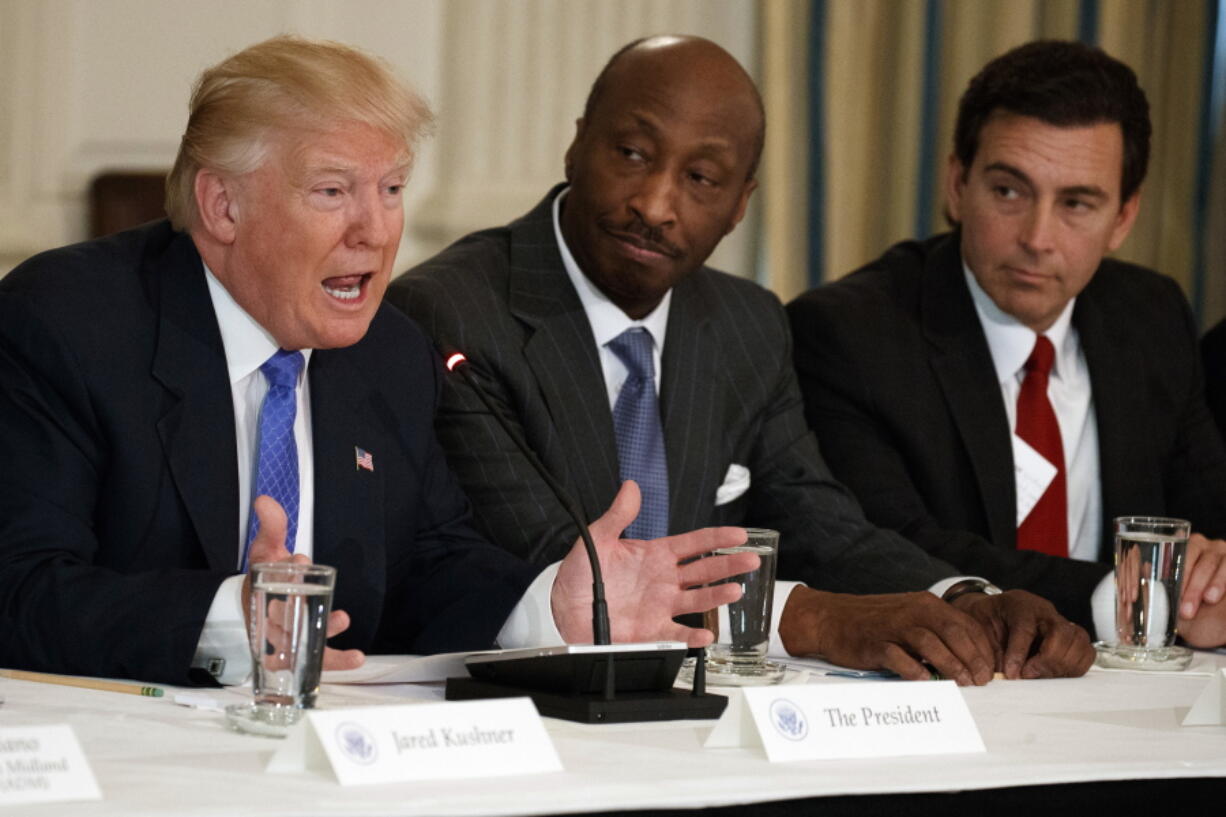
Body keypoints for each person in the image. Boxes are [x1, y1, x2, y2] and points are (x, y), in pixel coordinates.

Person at [0, 36, 761, 687]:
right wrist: (225, 619)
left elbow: (430, 564)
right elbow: (21, 591)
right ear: (222, 206)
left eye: (392, 189)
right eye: (333, 191)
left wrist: (549, 604)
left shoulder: (390, 352)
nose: (374, 230)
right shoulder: (70, 323)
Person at [387, 35, 1095, 684]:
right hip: (532, 708)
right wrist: (815, 619)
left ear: (739, 205)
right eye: (632, 154)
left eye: (701, 178)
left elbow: (817, 519)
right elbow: (566, 570)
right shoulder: (452, 313)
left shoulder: (745, 324)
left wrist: (965, 599)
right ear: (576, 147)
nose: (656, 204)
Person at [788, 40, 1226, 646]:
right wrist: (1129, 599)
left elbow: (1208, 523)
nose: (1037, 237)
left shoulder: (1152, 318)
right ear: (958, 184)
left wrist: (1210, 576)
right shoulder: (851, 333)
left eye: (1076, 203)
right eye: (1009, 192)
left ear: (1123, 218)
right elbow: (885, 542)